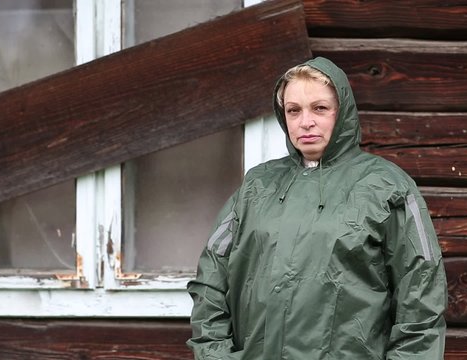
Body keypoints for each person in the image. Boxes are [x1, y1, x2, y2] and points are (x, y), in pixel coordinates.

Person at [187, 57, 447, 359]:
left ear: (342, 111)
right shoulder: (257, 186)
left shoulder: (388, 186)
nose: (305, 121)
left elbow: (421, 298)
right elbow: (211, 279)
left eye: (319, 108)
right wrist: (215, 354)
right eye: (294, 110)